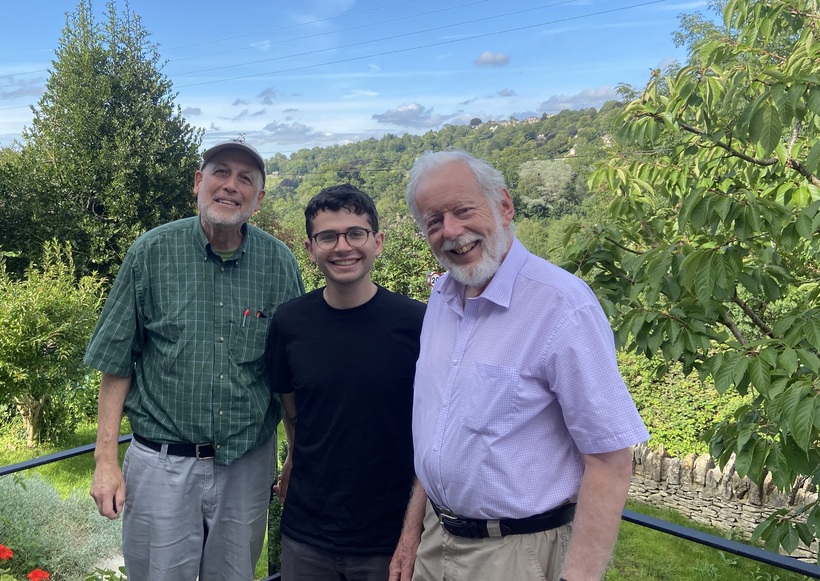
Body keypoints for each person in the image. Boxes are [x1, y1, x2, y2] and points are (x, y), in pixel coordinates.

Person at [390, 150, 649, 581]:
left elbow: (610, 463)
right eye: (433, 221)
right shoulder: (441, 298)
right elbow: (435, 435)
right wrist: (410, 534)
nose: (451, 231)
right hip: (435, 539)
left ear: (504, 206)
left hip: (516, 555)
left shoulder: (563, 307)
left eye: (463, 210)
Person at [85, 137, 304, 581]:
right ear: (198, 182)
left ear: (258, 198)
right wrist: (105, 461)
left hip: (246, 465)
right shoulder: (151, 252)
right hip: (162, 464)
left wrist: (295, 454)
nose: (231, 186)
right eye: (220, 172)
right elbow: (117, 361)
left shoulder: (279, 263)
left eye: (246, 179)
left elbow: (288, 373)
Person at [266, 184, 426, 581]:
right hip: (307, 535)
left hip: (389, 538)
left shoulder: (418, 324)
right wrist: (294, 455)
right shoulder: (289, 323)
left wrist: (413, 531)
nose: (343, 246)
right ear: (310, 248)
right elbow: (291, 406)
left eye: (356, 233)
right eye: (328, 236)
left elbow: (436, 427)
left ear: (378, 242)